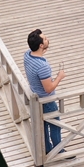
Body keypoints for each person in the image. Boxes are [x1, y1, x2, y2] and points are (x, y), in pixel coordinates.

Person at [24, 28, 66, 156]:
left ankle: (47, 148)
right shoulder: (43, 66)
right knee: (55, 124)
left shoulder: (27, 54)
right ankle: (58, 150)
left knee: (43, 125)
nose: (48, 39)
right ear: (41, 45)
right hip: (45, 99)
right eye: (45, 39)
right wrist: (59, 76)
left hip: (35, 92)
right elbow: (48, 89)